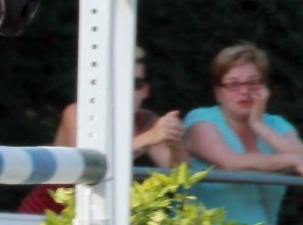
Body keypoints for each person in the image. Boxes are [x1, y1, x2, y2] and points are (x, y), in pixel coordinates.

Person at [18, 48, 184, 214]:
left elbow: (180, 172)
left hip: (98, 214)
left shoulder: (145, 120)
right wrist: (149, 137)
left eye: (136, 84)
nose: (127, 91)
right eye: (120, 82)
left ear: (145, 91)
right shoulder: (77, 112)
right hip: (46, 213)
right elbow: (90, 164)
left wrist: (174, 139)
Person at [182, 43, 303, 225]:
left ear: (265, 88)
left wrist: (258, 124)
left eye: (252, 83)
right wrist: (290, 160)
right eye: (233, 84)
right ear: (218, 92)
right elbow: (230, 162)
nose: (244, 91)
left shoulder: (276, 124)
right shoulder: (200, 119)